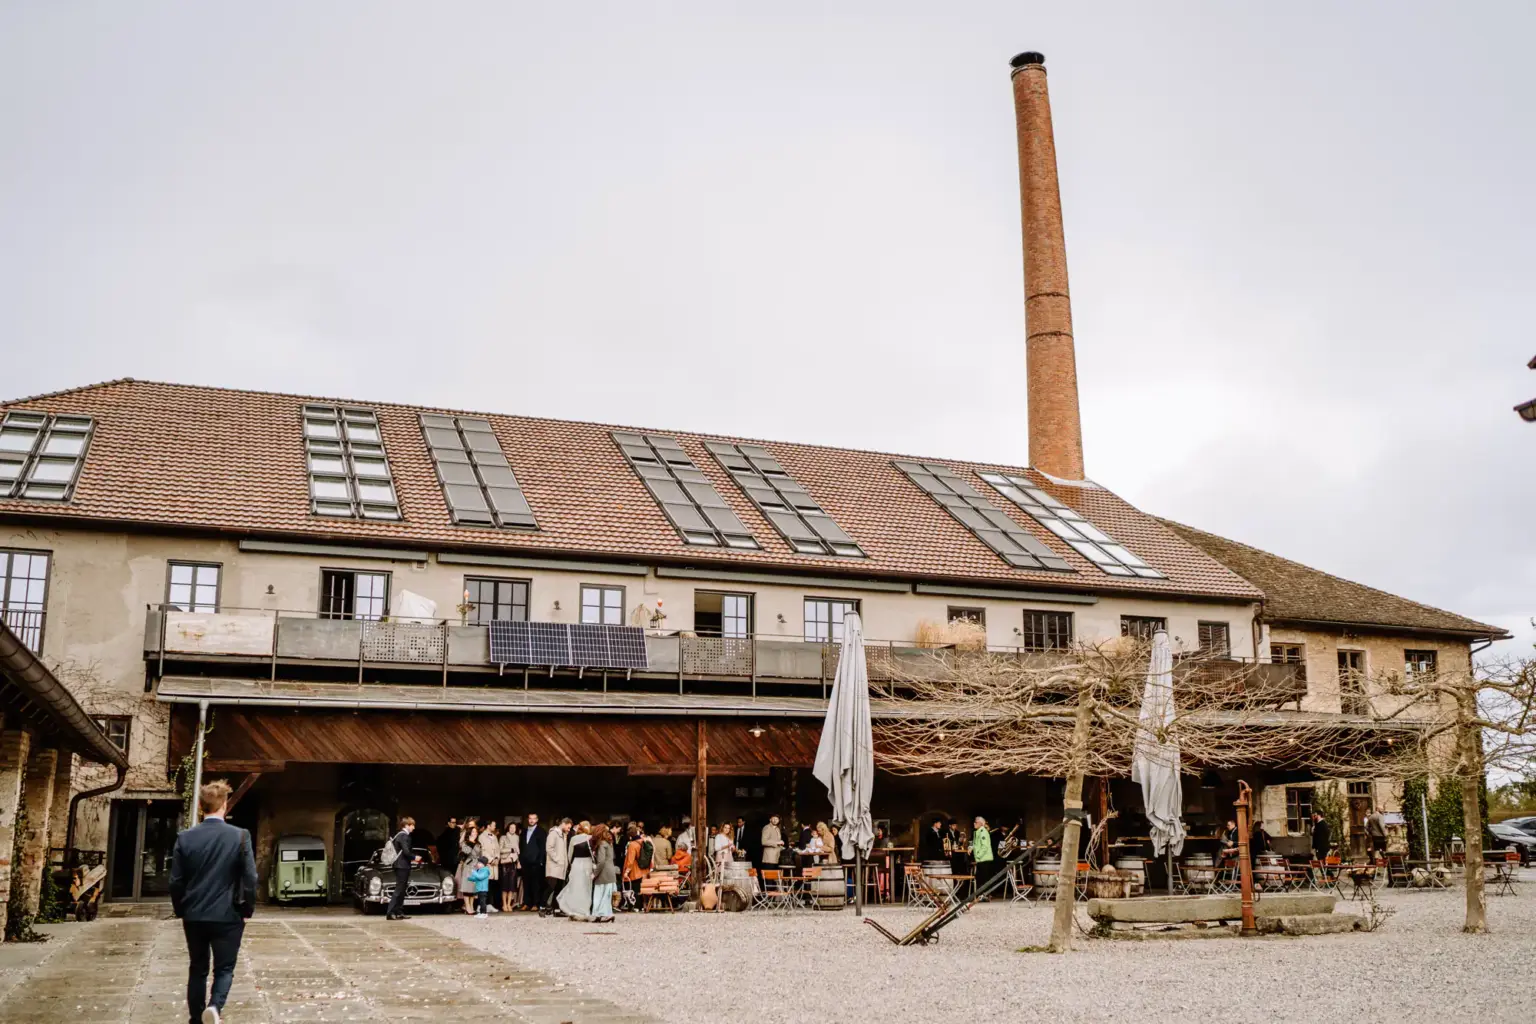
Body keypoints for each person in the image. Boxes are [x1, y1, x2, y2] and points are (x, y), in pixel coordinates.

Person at [168, 779, 257, 1024]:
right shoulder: (240, 836)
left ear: (200, 806)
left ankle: (196, 1018)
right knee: (224, 968)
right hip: (227, 915)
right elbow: (250, 877)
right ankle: (215, 1007)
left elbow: (176, 881)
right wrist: (247, 909)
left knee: (197, 967)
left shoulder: (185, 838)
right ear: (225, 805)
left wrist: (180, 909)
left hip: (194, 914)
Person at [557, 822, 594, 919]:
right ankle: (585, 909)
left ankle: (574, 909)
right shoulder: (591, 838)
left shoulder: (573, 839)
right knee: (587, 887)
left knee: (575, 886)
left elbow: (569, 855)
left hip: (577, 863)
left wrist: (569, 865)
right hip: (588, 864)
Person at [385, 815, 417, 920]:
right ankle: (390, 912)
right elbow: (406, 851)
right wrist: (415, 857)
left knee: (402, 889)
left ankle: (398, 911)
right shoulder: (404, 836)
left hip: (400, 865)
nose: (413, 828)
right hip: (402, 865)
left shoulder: (399, 835)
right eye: (412, 825)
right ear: (407, 825)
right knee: (399, 889)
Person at [541, 817, 572, 917]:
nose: (569, 829)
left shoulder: (564, 835)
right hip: (554, 866)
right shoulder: (553, 834)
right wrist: (557, 859)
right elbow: (549, 848)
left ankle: (557, 909)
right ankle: (542, 907)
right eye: (568, 827)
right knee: (550, 887)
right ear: (563, 823)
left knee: (558, 889)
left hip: (561, 867)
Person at [590, 823, 618, 923]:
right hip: (610, 872)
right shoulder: (609, 842)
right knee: (607, 895)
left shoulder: (601, 844)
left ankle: (601, 914)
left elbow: (601, 861)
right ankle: (607, 914)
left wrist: (594, 873)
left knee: (598, 894)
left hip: (603, 873)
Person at [521, 813, 547, 911]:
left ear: (537, 820)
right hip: (525, 861)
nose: (532, 820)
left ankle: (536, 903)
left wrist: (541, 860)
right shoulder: (523, 831)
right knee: (526, 883)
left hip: (536, 862)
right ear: (528, 819)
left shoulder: (541, 831)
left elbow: (543, 847)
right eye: (530, 818)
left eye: (534, 819)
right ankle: (527, 903)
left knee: (536, 884)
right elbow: (521, 846)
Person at [478, 820, 502, 912]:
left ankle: (490, 904)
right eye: (493, 825)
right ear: (488, 826)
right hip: (487, 863)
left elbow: (498, 849)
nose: (495, 827)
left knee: (492, 884)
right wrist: (490, 859)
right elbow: (482, 850)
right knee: (485, 884)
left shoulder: (495, 837)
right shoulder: (481, 837)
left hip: (494, 864)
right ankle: (483, 905)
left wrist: (497, 858)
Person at [457, 819, 480, 914]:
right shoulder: (466, 843)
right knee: (467, 888)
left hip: (476, 867)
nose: (475, 833)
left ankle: (471, 907)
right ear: (469, 833)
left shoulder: (478, 844)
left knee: (473, 889)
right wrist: (471, 842)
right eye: (473, 832)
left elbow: (480, 855)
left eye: (476, 832)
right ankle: (467, 907)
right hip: (468, 866)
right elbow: (466, 852)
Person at [498, 821, 521, 912]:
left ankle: (509, 904)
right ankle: (504, 904)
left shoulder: (517, 837)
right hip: (505, 862)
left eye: (514, 828)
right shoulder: (503, 837)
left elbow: (518, 851)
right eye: (511, 827)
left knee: (512, 885)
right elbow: (499, 849)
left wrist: (518, 862)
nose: (512, 829)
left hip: (513, 862)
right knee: (505, 886)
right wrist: (510, 849)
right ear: (508, 828)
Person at [972, 816, 996, 896]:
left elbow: (984, 846)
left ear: (980, 823)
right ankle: (983, 895)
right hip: (981, 859)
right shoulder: (978, 831)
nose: (974, 823)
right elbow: (977, 844)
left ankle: (985, 895)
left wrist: (978, 855)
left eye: (976, 822)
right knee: (981, 878)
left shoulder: (983, 832)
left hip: (984, 859)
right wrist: (971, 847)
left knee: (983, 879)